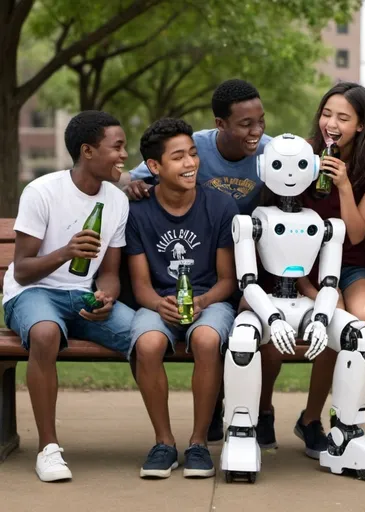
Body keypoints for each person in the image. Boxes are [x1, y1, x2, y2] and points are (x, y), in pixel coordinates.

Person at [255, 82, 365, 460]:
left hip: (352, 262)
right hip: (301, 264)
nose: (331, 123)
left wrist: (345, 184)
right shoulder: (302, 153)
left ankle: (313, 418)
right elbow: (282, 230)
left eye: (343, 118)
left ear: (361, 125)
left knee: (361, 319)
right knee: (318, 315)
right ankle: (263, 410)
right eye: (327, 114)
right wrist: (306, 285)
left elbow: (359, 232)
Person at [2, 111, 135, 482]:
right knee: (45, 333)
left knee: (148, 337)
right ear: (88, 150)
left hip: (81, 297)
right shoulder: (42, 191)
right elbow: (23, 269)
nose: (124, 155)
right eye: (117, 146)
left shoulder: (116, 201)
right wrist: (65, 252)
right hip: (31, 293)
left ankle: (165, 443)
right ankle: (48, 449)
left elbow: (108, 273)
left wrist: (107, 297)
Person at [125, 118, 238, 479]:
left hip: (209, 301)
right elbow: (141, 286)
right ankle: (163, 443)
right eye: (178, 157)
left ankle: (198, 443)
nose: (190, 163)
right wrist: (160, 305)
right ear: (155, 167)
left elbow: (227, 281)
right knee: (148, 343)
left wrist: (202, 303)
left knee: (206, 339)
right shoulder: (138, 213)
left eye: (193, 154)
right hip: (158, 302)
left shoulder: (220, 207)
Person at [118, 78, 270, 216]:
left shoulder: (274, 151)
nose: (257, 131)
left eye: (261, 121)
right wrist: (134, 186)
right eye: (246, 124)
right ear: (220, 124)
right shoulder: (191, 148)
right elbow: (129, 179)